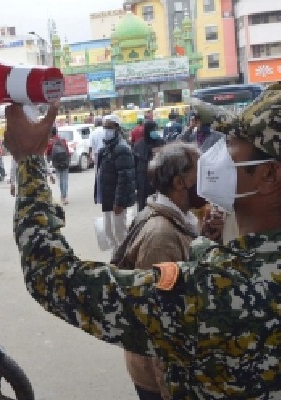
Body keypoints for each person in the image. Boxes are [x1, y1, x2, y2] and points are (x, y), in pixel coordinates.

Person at [5, 81, 281, 398]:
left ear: (270, 175)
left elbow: (51, 277)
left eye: (232, 142)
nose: (216, 154)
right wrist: (205, 246)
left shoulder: (212, 293)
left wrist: (29, 162)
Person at [112, 142, 204, 400]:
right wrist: (169, 391)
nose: (208, 181)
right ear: (179, 183)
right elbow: (159, 322)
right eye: (201, 174)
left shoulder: (175, 217)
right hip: (156, 377)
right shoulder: (161, 237)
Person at [95, 114, 136, 249]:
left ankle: (126, 260)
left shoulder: (121, 148)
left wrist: (119, 203)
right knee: (109, 232)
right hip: (108, 198)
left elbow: (125, 178)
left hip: (116, 200)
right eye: (104, 127)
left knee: (120, 233)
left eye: (109, 127)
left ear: (117, 129)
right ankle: (116, 258)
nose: (106, 130)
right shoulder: (108, 148)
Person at [133, 120, 166, 213]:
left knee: (158, 204)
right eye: (152, 129)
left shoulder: (162, 143)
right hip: (142, 179)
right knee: (143, 205)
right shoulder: (139, 145)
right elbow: (135, 164)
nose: (154, 131)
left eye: (155, 129)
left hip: (158, 178)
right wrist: (135, 183)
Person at [45, 126, 70, 205]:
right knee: (65, 179)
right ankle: (65, 196)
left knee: (60, 179)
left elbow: (47, 153)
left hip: (57, 163)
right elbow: (67, 151)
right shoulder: (62, 140)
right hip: (65, 162)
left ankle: (62, 197)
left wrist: (49, 162)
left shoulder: (50, 142)